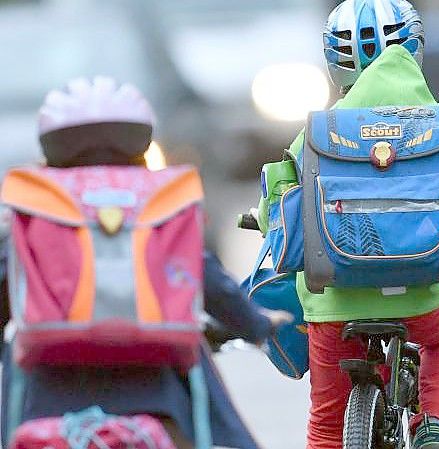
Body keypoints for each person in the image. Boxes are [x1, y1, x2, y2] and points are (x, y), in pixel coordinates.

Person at [258, 1, 439, 448]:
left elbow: (276, 200)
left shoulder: (318, 132)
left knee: (325, 428)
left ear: (337, 62)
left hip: (335, 306)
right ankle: (434, 424)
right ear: (414, 48)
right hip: (421, 298)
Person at [0, 77, 292, 449]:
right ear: (140, 142)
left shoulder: (36, 205)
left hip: (47, 397)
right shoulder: (158, 200)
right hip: (158, 395)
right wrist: (256, 324)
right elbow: (204, 275)